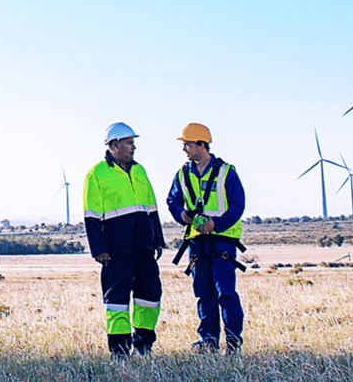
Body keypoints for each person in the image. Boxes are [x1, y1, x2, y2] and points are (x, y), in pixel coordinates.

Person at [83, 122, 167, 357]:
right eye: (129, 142)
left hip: (143, 246)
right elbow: (91, 216)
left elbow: (152, 208)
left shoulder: (140, 171)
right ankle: (119, 351)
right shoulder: (96, 174)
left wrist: (157, 240)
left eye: (133, 142)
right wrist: (99, 249)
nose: (134, 147)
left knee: (150, 296)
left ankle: (144, 344)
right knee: (117, 301)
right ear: (113, 145)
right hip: (116, 250)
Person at [166, 123, 247, 354]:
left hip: (222, 242)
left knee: (226, 294)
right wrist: (182, 216)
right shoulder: (182, 174)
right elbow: (172, 201)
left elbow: (237, 204)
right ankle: (208, 342)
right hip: (197, 244)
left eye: (187, 144)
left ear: (201, 145)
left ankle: (233, 343)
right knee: (203, 294)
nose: (184, 150)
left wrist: (215, 224)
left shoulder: (227, 172)